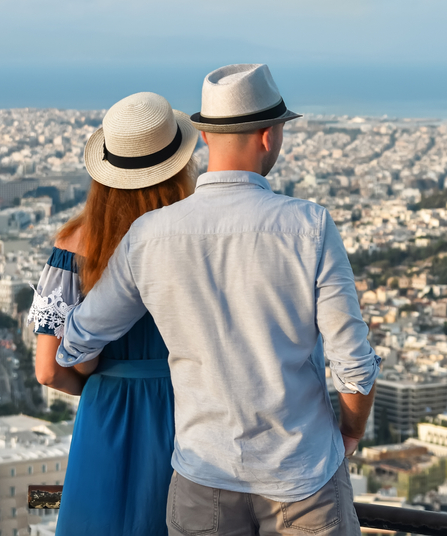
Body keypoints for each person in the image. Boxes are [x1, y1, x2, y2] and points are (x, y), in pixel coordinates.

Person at [57, 63, 380, 536]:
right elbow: (353, 364)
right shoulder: (308, 226)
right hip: (301, 475)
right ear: (269, 136)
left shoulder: (150, 235)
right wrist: (349, 432)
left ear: (205, 138)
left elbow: (78, 340)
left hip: (202, 476)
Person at [30, 91, 199, 536]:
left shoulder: (74, 245)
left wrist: (102, 384)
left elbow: (48, 371)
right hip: (188, 410)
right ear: (178, 166)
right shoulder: (197, 238)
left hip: (105, 410)